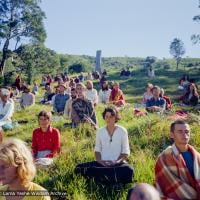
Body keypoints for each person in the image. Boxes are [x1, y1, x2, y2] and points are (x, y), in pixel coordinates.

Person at [75, 107, 133, 185]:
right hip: (102, 164)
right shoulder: (100, 131)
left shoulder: (122, 131)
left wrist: (116, 162)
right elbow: (97, 151)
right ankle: (111, 179)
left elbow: (125, 152)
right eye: (106, 116)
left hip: (118, 165)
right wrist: (101, 161)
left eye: (111, 116)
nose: (108, 119)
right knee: (78, 168)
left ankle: (101, 178)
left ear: (116, 117)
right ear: (104, 117)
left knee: (129, 170)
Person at [155, 120, 200, 200]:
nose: (184, 135)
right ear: (172, 135)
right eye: (180, 131)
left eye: (187, 131)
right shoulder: (164, 158)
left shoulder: (197, 156)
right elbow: (163, 185)